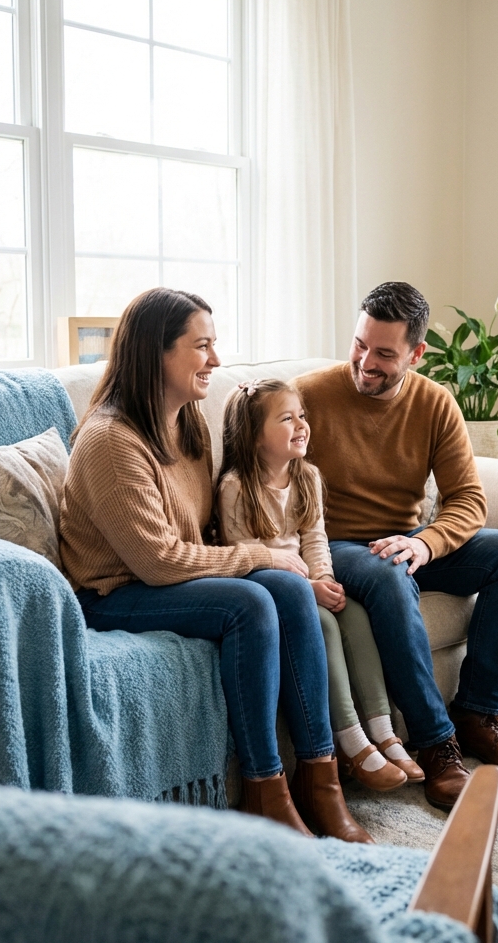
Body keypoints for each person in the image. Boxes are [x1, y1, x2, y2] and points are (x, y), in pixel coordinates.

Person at [59, 287, 371, 844]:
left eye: (215, 345)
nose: (216, 360)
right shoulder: (110, 441)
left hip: (169, 578)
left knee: (291, 589)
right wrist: (258, 555)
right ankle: (262, 789)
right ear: (158, 352)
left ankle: (321, 784)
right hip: (113, 595)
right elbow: (158, 562)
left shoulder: (187, 424)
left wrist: (277, 564)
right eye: (202, 346)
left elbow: (201, 534)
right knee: (251, 601)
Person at [295, 281, 498, 812]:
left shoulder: (434, 402)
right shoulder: (309, 396)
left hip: (405, 542)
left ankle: (477, 715)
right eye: (360, 344)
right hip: (333, 544)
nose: (366, 361)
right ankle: (436, 745)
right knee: (388, 574)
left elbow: (468, 500)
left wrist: (426, 546)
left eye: (385, 353)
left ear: (416, 353)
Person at [216, 378, 424, 792]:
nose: (301, 425)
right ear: (254, 436)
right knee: (325, 626)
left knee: (355, 615)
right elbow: (246, 555)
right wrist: (306, 591)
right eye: (287, 419)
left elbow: (315, 539)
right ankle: (351, 742)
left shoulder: (307, 476)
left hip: (308, 582)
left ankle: (383, 733)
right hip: (269, 585)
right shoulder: (236, 488)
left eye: (302, 416)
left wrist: (324, 580)